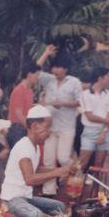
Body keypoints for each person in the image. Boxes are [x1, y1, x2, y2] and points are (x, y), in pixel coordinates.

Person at [0, 105, 69, 217]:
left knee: (59, 207)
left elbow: (36, 171)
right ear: (34, 127)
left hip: (25, 197)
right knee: (35, 215)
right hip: (12, 199)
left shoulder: (35, 147)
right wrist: (58, 171)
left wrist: (60, 170)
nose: (48, 133)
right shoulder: (24, 146)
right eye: (46, 129)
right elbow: (30, 179)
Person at [36, 46, 83, 196]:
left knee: (63, 158)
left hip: (67, 126)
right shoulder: (48, 79)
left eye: (59, 68)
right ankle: (49, 190)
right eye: (54, 67)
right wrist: (45, 53)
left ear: (66, 69)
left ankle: (77, 176)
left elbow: (79, 102)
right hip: (50, 126)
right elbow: (35, 70)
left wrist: (63, 104)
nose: (56, 70)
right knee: (49, 160)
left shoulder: (74, 82)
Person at [79, 67, 109, 170]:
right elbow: (89, 116)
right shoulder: (85, 94)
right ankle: (74, 184)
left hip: (105, 131)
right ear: (100, 78)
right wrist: (108, 121)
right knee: (82, 162)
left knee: (99, 163)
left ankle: (95, 186)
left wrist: (104, 132)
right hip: (90, 131)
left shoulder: (108, 94)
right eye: (108, 76)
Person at [8, 63, 41, 141]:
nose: (38, 77)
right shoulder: (19, 90)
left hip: (25, 128)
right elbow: (19, 115)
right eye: (36, 75)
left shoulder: (29, 91)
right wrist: (31, 129)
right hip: (18, 130)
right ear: (29, 74)